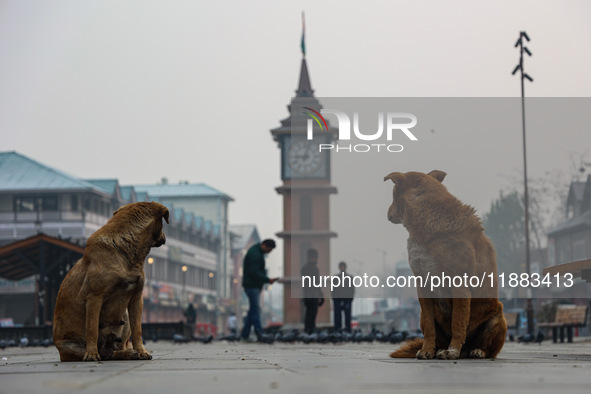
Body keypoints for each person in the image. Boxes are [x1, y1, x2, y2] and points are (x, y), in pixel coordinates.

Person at [240, 239, 279, 341]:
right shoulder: (255, 254)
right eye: (269, 249)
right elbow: (254, 272)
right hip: (252, 286)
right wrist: (267, 279)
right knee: (256, 310)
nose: (269, 252)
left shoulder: (256, 252)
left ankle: (245, 335)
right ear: (264, 245)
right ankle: (260, 333)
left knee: (252, 311)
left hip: (252, 285)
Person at [301, 248, 324, 334]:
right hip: (309, 293)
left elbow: (317, 282)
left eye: (316, 258)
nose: (315, 259)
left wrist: (321, 295)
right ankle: (308, 329)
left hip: (314, 293)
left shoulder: (315, 268)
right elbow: (305, 283)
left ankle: (311, 328)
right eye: (313, 258)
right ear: (309, 258)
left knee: (313, 312)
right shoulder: (305, 269)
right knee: (309, 313)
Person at [331, 261, 355, 333]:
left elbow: (352, 289)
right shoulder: (335, 278)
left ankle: (348, 331)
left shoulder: (349, 278)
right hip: (338, 300)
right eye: (341, 266)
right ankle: (338, 331)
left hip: (347, 299)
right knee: (337, 317)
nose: (342, 268)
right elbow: (333, 289)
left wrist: (350, 298)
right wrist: (334, 298)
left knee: (348, 317)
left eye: (343, 266)